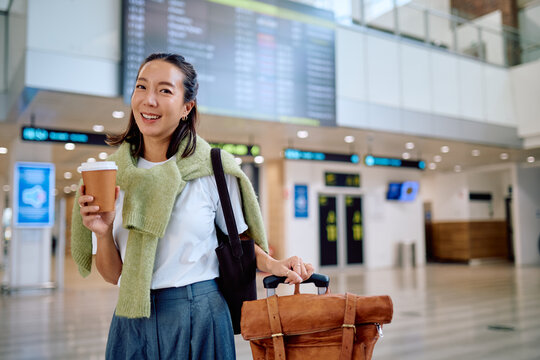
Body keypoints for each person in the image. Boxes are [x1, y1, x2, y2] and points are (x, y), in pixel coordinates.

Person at [70, 52, 314, 359]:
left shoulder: (212, 169)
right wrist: (102, 232)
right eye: (141, 87)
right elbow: (112, 275)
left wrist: (276, 265)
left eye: (165, 90)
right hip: (132, 318)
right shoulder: (113, 176)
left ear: (187, 107)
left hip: (200, 315)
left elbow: (239, 243)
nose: (149, 100)